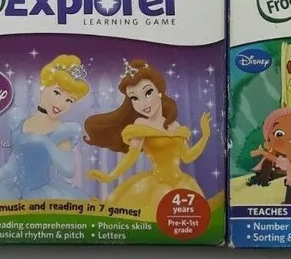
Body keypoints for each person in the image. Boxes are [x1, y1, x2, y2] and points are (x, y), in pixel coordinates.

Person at [85, 60, 211, 210]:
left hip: (181, 182)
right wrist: (110, 176)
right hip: (158, 185)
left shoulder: (175, 126)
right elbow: (131, 157)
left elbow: (187, 157)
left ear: (159, 91)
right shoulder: (140, 125)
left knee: (198, 211)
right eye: (135, 98)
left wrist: (205, 136)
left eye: (148, 92)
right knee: (161, 206)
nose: (143, 103)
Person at [0, 54, 89, 202]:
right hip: (10, 191)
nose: (62, 104)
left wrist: (46, 142)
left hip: (40, 195)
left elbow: (68, 170)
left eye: (69, 100)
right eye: (57, 92)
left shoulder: (61, 132)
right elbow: (10, 166)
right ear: (43, 86)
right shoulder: (20, 122)